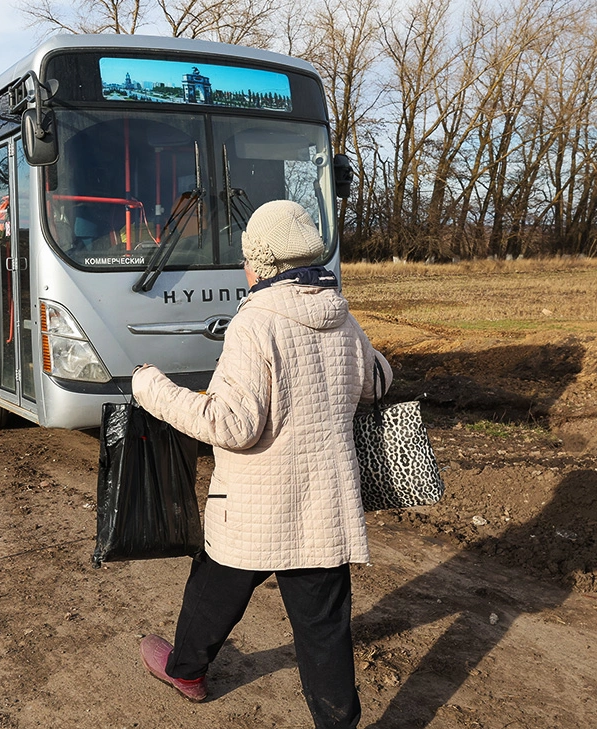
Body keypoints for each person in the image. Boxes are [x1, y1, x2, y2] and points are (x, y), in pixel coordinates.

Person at [130, 199, 392, 728]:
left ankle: (186, 670)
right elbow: (377, 383)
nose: (245, 268)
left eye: (249, 258)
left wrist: (150, 388)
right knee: (324, 630)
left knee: (214, 589)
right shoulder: (340, 313)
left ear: (265, 264)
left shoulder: (255, 322)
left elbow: (231, 425)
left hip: (254, 507)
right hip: (324, 508)